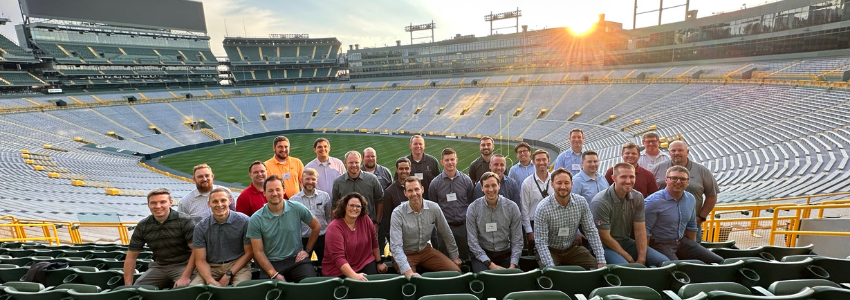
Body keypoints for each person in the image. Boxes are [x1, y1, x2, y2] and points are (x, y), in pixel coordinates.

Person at [591, 163, 668, 267]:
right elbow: (604, 237)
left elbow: (640, 229)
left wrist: (641, 258)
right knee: (627, 268)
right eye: (623, 177)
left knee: (664, 262)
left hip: (626, 242)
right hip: (603, 246)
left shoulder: (638, 197)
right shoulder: (601, 201)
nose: (628, 181)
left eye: (631, 177)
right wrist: (629, 258)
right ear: (614, 178)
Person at [247, 175, 321, 283]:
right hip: (271, 263)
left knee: (310, 286)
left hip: (296, 260)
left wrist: (307, 251)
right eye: (270, 190)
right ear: (264, 193)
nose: (275, 193)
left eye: (278, 189)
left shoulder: (296, 207)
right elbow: (258, 251)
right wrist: (273, 273)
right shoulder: (256, 219)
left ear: (284, 191)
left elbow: (316, 226)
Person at [644, 166, 723, 264]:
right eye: (674, 178)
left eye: (683, 179)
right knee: (677, 267)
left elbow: (691, 226)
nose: (678, 182)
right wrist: (645, 255)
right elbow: (645, 231)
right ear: (666, 180)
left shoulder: (690, 198)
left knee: (718, 261)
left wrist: (693, 248)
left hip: (681, 242)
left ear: (688, 182)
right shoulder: (652, 202)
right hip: (660, 243)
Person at [534, 168, 606, 269]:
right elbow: (541, 242)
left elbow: (591, 231)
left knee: (597, 268)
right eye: (559, 183)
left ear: (572, 184)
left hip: (571, 249)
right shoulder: (543, 208)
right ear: (552, 184)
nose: (563, 187)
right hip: (550, 250)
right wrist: (551, 268)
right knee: (551, 274)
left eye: (566, 183)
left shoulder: (581, 202)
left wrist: (601, 260)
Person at [390, 177, 462, 277]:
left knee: (455, 272)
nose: (414, 193)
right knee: (413, 281)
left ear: (422, 189)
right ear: (405, 193)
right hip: (406, 254)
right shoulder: (397, 213)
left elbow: (446, 232)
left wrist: (454, 256)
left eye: (416, 189)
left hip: (425, 250)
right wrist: (408, 272)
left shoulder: (434, 208)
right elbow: (396, 246)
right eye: (410, 191)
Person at [124, 188, 196, 288]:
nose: (158, 206)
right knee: (137, 290)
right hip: (159, 266)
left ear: (170, 202)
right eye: (153, 203)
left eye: (162, 202)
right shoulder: (143, 225)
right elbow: (131, 256)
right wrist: (128, 286)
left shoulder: (185, 221)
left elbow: (196, 251)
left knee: (183, 290)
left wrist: (185, 277)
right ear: (148, 204)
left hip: (184, 264)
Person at [650, 141, 719, 242]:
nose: (676, 153)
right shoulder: (657, 168)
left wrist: (701, 217)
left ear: (687, 151)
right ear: (669, 152)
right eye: (673, 150)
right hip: (662, 225)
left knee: (692, 253)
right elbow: (650, 193)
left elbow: (712, 195)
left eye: (680, 150)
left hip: (690, 225)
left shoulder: (702, 171)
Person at [190, 187, 253, 286]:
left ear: (230, 201)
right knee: (194, 289)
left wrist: (228, 274)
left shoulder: (244, 221)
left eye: (223, 200)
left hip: (238, 265)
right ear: (209, 204)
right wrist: (209, 280)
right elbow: (200, 260)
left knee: (242, 290)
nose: (219, 204)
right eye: (215, 201)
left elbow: (249, 253)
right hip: (211, 266)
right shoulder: (201, 227)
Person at [323, 192, 388, 279]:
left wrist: (379, 262)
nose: (355, 208)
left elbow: (374, 242)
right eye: (351, 205)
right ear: (344, 206)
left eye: (358, 206)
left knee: (373, 285)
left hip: (364, 262)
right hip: (338, 269)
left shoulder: (365, 219)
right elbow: (338, 258)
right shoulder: (334, 228)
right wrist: (354, 276)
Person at [466, 172, 523, 272]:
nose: (491, 189)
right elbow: (472, 242)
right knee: (485, 279)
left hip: (505, 253)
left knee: (512, 279)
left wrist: (513, 265)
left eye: (493, 185)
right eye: (487, 186)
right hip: (483, 255)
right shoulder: (473, 208)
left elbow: (517, 240)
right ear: (482, 188)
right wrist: (490, 264)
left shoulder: (512, 207)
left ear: (499, 186)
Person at [428, 147, 475, 260]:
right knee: (446, 260)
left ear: (456, 160)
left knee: (465, 258)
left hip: (463, 228)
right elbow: (433, 208)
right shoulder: (435, 184)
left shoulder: (466, 180)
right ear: (442, 162)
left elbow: (471, 203)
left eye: (452, 159)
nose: (450, 162)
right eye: (447, 160)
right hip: (444, 228)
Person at [332, 151, 384, 230]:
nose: (354, 165)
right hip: (345, 226)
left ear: (361, 162)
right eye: (351, 162)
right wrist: (334, 226)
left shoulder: (372, 179)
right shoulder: (338, 182)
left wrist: (377, 223)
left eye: (356, 162)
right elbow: (334, 205)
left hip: (368, 226)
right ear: (345, 162)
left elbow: (380, 200)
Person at [289, 168, 332, 265]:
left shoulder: (325, 196)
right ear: (301, 180)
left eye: (313, 179)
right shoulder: (294, 200)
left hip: (322, 238)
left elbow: (328, 216)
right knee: (304, 265)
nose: (310, 182)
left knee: (326, 265)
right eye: (307, 179)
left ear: (317, 181)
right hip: (304, 239)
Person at [520, 149, 554, 252]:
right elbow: (524, 208)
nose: (541, 162)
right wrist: (529, 231)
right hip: (534, 223)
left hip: (553, 222)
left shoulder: (555, 179)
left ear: (548, 160)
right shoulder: (527, 183)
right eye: (538, 160)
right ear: (533, 162)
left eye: (544, 159)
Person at [382, 157, 411, 243]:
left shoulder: (415, 187)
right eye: (401, 168)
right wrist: (390, 239)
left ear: (410, 169)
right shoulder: (389, 191)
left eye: (406, 168)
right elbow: (386, 218)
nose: (404, 171)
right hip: (398, 237)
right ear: (397, 170)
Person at [406, 135, 441, 199]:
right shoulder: (405, 162)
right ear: (410, 146)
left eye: (420, 144)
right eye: (415, 144)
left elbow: (440, 181)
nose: (418, 146)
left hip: (430, 200)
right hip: (411, 200)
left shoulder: (432, 161)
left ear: (424, 146)